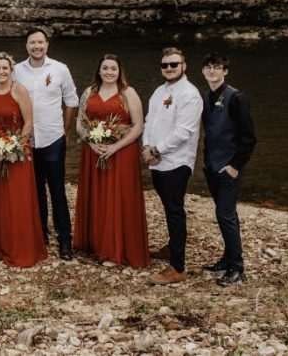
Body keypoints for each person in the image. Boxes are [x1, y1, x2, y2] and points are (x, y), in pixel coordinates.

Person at [72, 54, 149, 268]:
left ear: (119, 71)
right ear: (99, 70)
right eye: (105, 68)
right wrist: (89, 140)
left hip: (121, 153)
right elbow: (80, 122)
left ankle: (115, 249)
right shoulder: (89, 92)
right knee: (97, 195)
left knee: (117, 197)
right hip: (94, 151)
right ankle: (95, 243)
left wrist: (115, 146)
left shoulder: (128, 93)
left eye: (113, 68)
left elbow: (138, 126)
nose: (108, 72)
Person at [12, 28, 78, 261]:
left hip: (52, 138)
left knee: (57, 190)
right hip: (27, 141)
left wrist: (65, 130)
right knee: (35, 189)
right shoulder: (16, 71)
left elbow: (71, 101)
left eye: (40, 42)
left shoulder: (60, 69)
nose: (36, 46)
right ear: (26, 45)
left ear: (47, 45)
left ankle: (65, 239)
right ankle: (41, 234)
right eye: (32, 43)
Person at [142, 46, 203, 284]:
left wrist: (157, 150)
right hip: (156, 161)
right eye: (165, 65)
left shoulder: (189, 94)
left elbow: (184, 132)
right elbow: (149, 121)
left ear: (184, 66)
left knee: (175, 210)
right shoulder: (159, 91)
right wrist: (146, 147)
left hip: (177, 163)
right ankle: (171, 247)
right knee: (168, 207)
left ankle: (178, 267)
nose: (169, 68)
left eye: (174, 64)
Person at [0, 52, 47, 268]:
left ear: (12, 71)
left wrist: (14, 146)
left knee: (17, 198)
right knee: (0, 199)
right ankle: (1, 245)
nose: (1, 72)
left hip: (18, 152)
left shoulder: (19, 90)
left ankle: (21, 246)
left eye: (5, 68)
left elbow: (28, 123)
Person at [200, 52, 257, 287]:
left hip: (229, 167)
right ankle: (227, 259)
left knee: (226, 215)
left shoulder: (236, 98)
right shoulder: (206, 97)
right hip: (212, 166)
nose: (212, 71)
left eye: (217, 67)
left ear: (225, 71)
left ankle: (237, 269)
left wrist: (235, 166)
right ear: (203, 72)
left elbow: (249, 138)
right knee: (224, 215)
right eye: (208, 67)